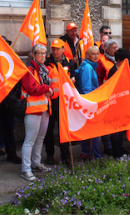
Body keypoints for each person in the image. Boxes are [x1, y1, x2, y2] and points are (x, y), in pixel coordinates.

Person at [0, 36, 22, 171]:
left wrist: (14, 96)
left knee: (9, 129)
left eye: (7, 45)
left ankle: (11, 154)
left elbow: (18, 80)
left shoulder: (13, 62)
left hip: (9, 102)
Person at [21, 44, 53, 181]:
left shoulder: (44, 69)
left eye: (44, 53)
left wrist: (47, 90)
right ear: (33, 54)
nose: (42, 56)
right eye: (39, 53)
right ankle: (26, 169)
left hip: (44, 108)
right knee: (30, 140)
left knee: (40, 138)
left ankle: (36, 163)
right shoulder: (29, 69)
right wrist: (46, 88)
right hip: (33, 108)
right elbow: (31, 88)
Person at [44, 39, 75, 167]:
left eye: (57, 49)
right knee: (49, 130)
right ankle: (50, 155)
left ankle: (66, 156)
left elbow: (73, 77)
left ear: (63, 49)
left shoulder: (69, 63)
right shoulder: (46, 63)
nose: (55, 51)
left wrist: (73, 79)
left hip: (64, 102)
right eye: (53, 49)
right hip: (51, 103)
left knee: (64, 131)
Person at [108, 49, 130, 158]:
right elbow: (115, 88)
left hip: (124, 104)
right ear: (119, 60)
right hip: (115, 105)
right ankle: (116, 154)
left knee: (122, 130)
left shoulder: (125, 69)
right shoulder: (113, 71)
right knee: (115, 132)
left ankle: (121, 151)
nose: (128, 63)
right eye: (126, 60)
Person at [76, 46, 102, 160]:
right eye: (93, 54)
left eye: (97, 53)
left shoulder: (88, 66)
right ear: (87, 55)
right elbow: (86, 88)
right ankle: (97, 156)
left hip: (87, 102)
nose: (96, 56)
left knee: (87, 130)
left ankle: (86, 152)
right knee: (96, 131)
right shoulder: (87, 67)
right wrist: (91, 104)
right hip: (90, 102)